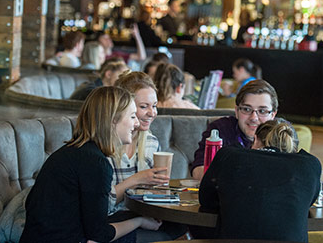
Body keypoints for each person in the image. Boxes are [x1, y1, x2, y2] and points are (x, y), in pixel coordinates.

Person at [20, 86, 161, 242]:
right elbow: (99, 234)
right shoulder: (96, 163)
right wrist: (139, 221)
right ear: (113, 120)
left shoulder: (73, 151)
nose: (136, 124)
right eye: (133, 116)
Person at [198, 119, 321, 242]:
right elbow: (307, 202)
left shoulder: (229, 156)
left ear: (255, 139)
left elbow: (206, 199)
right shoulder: (309, 165)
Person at [111, 71, 187, 242]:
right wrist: (137, 179)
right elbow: (102, 203)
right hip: (113, 221)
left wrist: (160, 194)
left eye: (154, 106)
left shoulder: (151, 143)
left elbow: (151, 194)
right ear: (124, 107)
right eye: (144, 106)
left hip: (142, 214)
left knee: (183, 228)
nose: (152, 113)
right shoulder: (106, 145)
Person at [192, 79, 278, 180]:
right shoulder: (219, 129)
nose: (254, 118)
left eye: (262, 111)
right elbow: (198, 171)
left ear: (273, 115)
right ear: (236, 111)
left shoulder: (281, 132)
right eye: (246, 109)